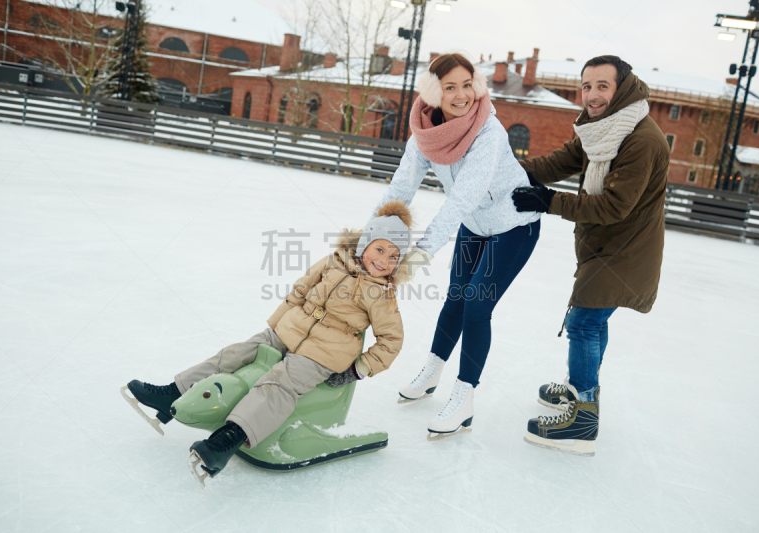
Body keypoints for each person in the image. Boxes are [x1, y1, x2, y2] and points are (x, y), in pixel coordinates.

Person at [124, 201, 413, 480]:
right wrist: (275, 329)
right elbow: (300, 290)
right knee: (234, 355)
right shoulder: (333, 261)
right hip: (288, 330)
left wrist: (356, 370)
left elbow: (392, 341)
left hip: (322, 355)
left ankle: (226, 440)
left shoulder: (382, 293)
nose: (384, 260)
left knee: (280, 383)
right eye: (380, 249)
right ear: (365, 244)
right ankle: (173, 392)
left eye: (393, 256)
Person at [372, 53, 540, 436]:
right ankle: (433, 370)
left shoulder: (488, 133)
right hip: (474, 226)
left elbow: (460, 199)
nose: (462, 95)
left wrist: (413, 260)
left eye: (468, 84)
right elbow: (401, 188)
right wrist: (370, 240)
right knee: (455, 298)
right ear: (435, 93)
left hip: (514, 226)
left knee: (477, 304)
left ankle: (464, 397)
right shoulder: (425, 131)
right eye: (450, 87)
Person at [512, 55, 670, 456]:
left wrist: (548, 201)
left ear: (623, 88)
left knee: (584, 320)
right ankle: (580, 390)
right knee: (593, 320)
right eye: (586, 86)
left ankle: (582, 417)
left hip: (626, 249)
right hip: (607, 245)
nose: (592, 95)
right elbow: (560, 162)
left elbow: (614, 206)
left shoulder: (641, 139)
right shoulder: (601, 129)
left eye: (602, 85)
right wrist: (510, 172)